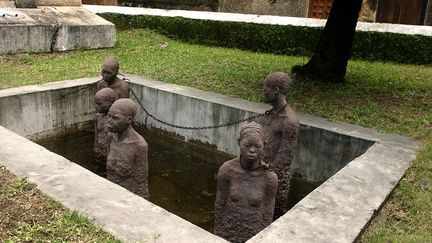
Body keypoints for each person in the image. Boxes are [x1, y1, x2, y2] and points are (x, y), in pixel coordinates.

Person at [214, 122, 278, 243]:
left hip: (253, 233)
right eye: (247, 145)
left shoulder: (269, 178)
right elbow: (219, 207)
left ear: (264, 145)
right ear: (239, 142)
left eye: (257, 146)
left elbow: (267, 215)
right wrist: (218, 235)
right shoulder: (227, 170)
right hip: (229, 232)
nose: (252, 151)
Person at [262, 72, 299, 219]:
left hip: (275, 179)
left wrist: (267, 174)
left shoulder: (289, 121)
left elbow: (285, 157)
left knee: (275, 216)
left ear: (276, 90)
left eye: (266, 90)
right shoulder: (273, 112)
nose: (263, 93)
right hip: (264, 170)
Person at [106, 98, 149, 199]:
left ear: (129, 120)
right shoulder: (110, 137)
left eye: (115, 118)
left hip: (128, 198)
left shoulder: (139, 145)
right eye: (109, 116)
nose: (109, 121)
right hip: (110, 193)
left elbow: (141, 182)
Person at [94, 88, 118, 165]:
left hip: (110, 154)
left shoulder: (117, 121)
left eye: (99, 104)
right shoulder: (98, 117)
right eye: (96, 103)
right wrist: (95, 148)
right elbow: (96, 134)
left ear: (111, 102)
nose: (96, 106)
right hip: (100, 152)